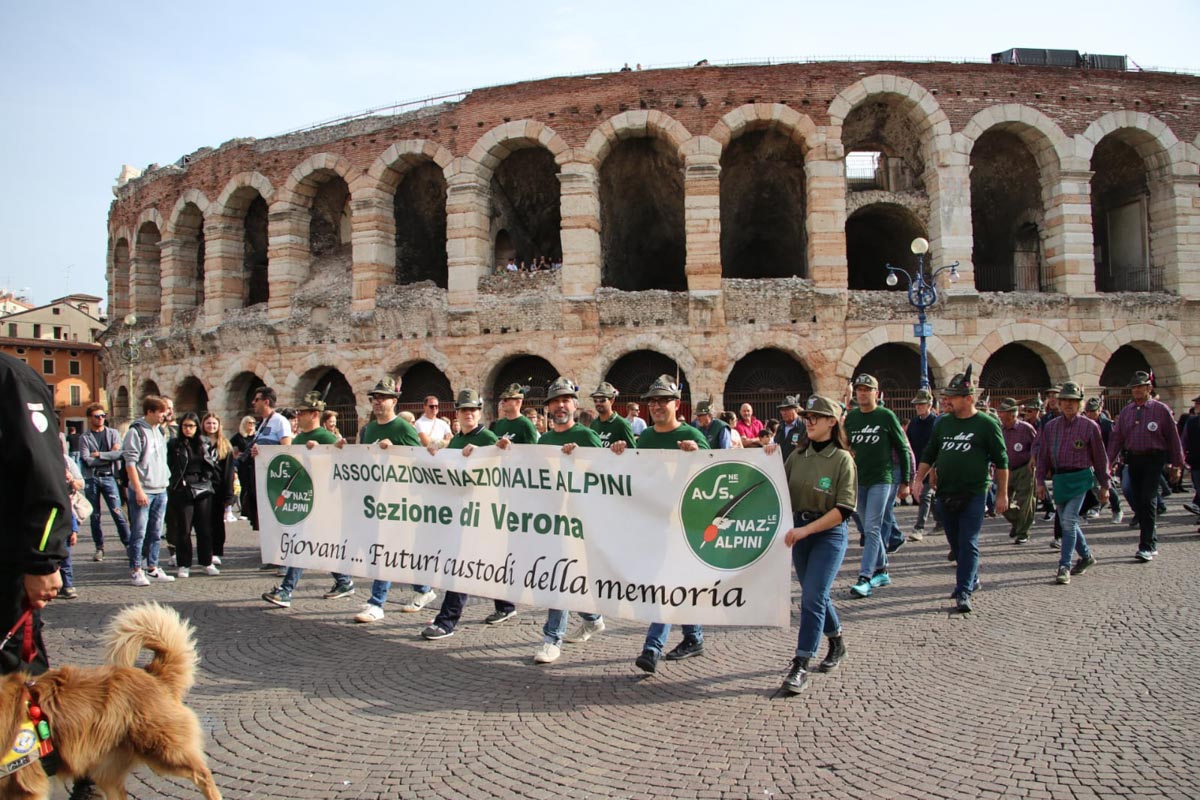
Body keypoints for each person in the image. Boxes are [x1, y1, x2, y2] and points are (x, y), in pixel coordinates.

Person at [497, 377, 608, 664]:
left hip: (578, 521)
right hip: (550, 520)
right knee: (561, 577)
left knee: (560, 577)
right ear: (548, 408)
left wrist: (578, 460)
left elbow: (607, 474)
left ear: (574, 404)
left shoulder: (586, 436)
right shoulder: (544, 440)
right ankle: (592, 617)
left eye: (565, 400)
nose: (560, 405)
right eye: (555, 401)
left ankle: (552, 638)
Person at [765, 395, 857, 695]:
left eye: (816, 416)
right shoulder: (798, 456)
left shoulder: (842, 459)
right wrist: (767, 456)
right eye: (807, 416)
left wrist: (806, 531)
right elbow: (776, 486)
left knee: (812, 598)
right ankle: (837, 641)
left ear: (833, 421)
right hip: (800, 533)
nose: (809, 421)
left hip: (827, 534)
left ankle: (801, 664)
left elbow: (844, 509)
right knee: (814, 595)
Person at [629, 375, 710, 674]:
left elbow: (712, 473)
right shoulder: (647, 437)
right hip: (655, 521)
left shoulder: (692, 435)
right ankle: (693, 636)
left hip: (685, 522)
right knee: (675, 581)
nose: (657, 405)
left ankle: (652, 647)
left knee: (667, 582)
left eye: (664, 400)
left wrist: (697, 455)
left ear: (678, 404)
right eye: (653, 401)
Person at [911, 367, 1008, 613]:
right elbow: (930, 453)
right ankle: (971, 577)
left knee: (968, 542)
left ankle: (963, 590)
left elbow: (1002, 461)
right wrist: (919, 478)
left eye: (952, 397)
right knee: (956, 544)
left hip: (974, 493)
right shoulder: (943, 424)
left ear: (968, 398)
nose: (947, 401)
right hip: (945, 493)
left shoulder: (987, 424)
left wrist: (1002, 494)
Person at [0, 353, 71, 675]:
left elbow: (42, 475)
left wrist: (42, 562)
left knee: (16, 685)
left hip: (7, 570)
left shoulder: (12, 379)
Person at [348, 378, 434, 624]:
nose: (377, 402)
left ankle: (377, 603)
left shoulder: (403, 428)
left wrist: (394, 448)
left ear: (394, 401)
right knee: (397, 550)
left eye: (383, 397)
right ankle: (424, 589)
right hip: (377, 497)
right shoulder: (368, 429)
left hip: (400, 500)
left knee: (384, 549)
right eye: (374, 397)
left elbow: (419, 462)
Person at [420, 388, 501, 640]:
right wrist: (438, 454)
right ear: (457, 414)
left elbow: (502, 461)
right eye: (465, 410)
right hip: (461, 511)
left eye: (473, 410)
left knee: (461, 566)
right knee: (486, 561)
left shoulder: (487, 437)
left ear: (479, 413)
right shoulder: (454, 441)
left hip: (482, 512)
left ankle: (446, 621)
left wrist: (481, 454)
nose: (469, 414)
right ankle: (506, 605)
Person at [262, 392, 354, 607]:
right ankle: (344, 581)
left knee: (301, 543)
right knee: (315, 543)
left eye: (301, 412)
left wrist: (324, 450)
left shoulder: (325, 437)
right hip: (305, 498)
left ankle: (286, 590)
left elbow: (342, 461)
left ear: (314, 414)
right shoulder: (300, 437)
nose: (297, 416)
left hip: (322, 500)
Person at [843, 374, 911, 597]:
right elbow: (845, 446)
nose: (862, 393)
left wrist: (906, 481)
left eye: (867, 389)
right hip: (859, 481)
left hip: (882, 480)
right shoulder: (852, 419)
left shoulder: (886, 416)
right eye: (860, 390)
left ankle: (865, 577)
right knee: (865, 526)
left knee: (872, 528)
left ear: (876, 392)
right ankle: (882, 570)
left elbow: (902, 448)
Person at [1106, 371, 1185, 562]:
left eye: (1140, 386)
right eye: (1134, 387)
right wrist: (1107, 463)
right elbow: (1117, 439)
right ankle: (1150, 533)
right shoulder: (1127, 412)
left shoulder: (1161, 410)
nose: (1137, 390)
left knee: (1148, 498)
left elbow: (1173, 439)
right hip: (1133, 459)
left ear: (1149, 388)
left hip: (1154, 459)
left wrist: (1177, 464)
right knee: (1134, 495)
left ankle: (1146, 545)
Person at [1035, 381, 1108, 585]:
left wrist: (1105, 485)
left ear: (1080, 404)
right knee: (1069, 522)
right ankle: (1086, 556)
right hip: (1060, 479)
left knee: (1068, 521)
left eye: (1073, 401)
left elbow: (1100, 458)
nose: (1069, 404)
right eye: (1065, 400)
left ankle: (1064, 565)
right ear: (1058, 403)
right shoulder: (1051, 427)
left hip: (1081, 478)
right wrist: (1040, 481)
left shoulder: (1089, 426)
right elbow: (1043, 456)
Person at [122, 395, 175, 587]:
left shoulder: (160, 431)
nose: (165, 415)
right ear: (150, 412)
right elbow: (130, 463)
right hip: (144, 490)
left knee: (156, 531)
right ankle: (136, 569)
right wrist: (138, 490)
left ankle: (152, 566)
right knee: (139, 532)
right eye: (161, 411)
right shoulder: (135, 432)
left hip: (161, 488)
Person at [166, 412, 222, 578]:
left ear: (197, 427)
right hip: (182, 487)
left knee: (204, 527)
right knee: (184, 528)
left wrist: (206, 480)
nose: (188, 429)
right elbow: (170, 465)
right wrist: (176, 483)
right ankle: (184, 563)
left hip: (202, 486)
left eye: (191, 426)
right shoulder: (174, 444)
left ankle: (206, 561)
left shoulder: (204, 443)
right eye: (185, 426)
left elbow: (211, 464)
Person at [246, 387, 293, 569]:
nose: (253, 403)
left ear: (266, 401)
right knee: (268, 519)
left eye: (256, 399)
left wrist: (264, 451)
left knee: (279, 518)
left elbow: (286, 449)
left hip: (276, 478)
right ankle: (274, 556)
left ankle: (285, 559)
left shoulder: (280, 422)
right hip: (262, 477)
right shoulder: (263, 423)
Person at [80, 401, 131, 561]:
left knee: (117, 513)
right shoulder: (85, 437)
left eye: (103, 416)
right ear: (90, 418)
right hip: (92, 478)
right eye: (97, 416)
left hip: (109, 477)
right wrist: (109, 454)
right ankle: (99, 547)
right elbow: (87, 459)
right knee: (95, 516)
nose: (101, 418)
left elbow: (120, 454)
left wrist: (99, 455)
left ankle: (129, 545)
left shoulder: (113, 433)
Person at [998, 397, 1038, 544]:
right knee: (1002, 503)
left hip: (1024, 469)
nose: (1000, 415)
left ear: (1012, 414)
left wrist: (1034, 458)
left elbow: (1037, 445)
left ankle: (1023, 532)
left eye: (1003, 413)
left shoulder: (1026, 428)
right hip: (1006, 470)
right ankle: (1017, 521)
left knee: (1026, 502)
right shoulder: (1000, 430)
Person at [200, 412, 236, 564]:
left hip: (219, 486)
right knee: (203, 521)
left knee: (217, 521)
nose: (211, 426)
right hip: (203, 486)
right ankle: (206, 550)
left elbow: (229, 470)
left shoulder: (224, 444)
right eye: (208, 423)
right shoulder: (199, 442)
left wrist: (229, 493)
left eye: (214, 423)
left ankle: (217, 550)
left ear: (219, 426)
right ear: (203, 425)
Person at [589, 381, 637, 449]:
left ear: (612, 400)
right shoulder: (594, 424)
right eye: (595, 400)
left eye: (602, 400)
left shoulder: (622, 424)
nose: (598, 403)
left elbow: (633, 451)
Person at [230, 415, 256, 518]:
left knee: (254, 486)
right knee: (244, 487)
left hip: (254, 462)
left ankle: (253, 511)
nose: (252, 425)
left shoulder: (256, 436)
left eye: (253, 423)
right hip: (243, 464)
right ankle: (244, 512)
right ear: (244, 424)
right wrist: (235, 455)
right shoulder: (239, 436)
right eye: (249, 423)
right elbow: (228, 445)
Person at [772, 396, 806, 461]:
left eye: (787, 409)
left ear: (795, 410)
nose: (784, 413)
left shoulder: (803, 426)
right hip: (781, 465)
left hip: (797, 465)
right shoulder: (781, 427)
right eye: (782, 410)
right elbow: (776, 443)